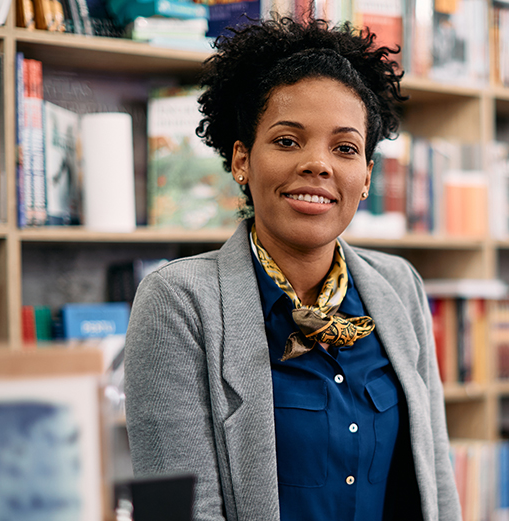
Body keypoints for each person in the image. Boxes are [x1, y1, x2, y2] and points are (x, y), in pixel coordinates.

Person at [124, 16, 462, 521]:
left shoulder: (399, 287)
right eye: (287, 141)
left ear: (366, 176)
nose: (318, 164)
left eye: (344, 148)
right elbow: (179, 512)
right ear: (241, 160)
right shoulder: (176, 303)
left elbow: (435, 482)